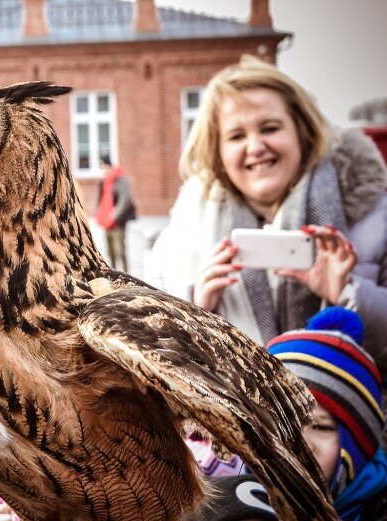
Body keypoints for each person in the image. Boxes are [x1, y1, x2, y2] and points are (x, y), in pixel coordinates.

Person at [147, 55, 387, 376]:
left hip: (347, 423)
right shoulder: (183, 236)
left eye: (270, 128)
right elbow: (153, 359)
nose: (255, 146)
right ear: (217, 151)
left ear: (302, 132)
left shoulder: (374, 215)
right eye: (236, 136)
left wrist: (346, 292)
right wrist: (196, 307)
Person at [192, 306, 387, 520]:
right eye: (279, 422)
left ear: (359, 446)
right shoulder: (222, 501)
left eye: (321, 426)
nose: (298, 445)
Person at [95, 155, 136, 273]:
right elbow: (101, 199)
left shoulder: (120, 179)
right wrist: (99, 214)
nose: (103, 170)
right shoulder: (103, 181)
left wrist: (115, 214)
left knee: (120, 251)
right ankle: (114, 274)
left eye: (104, 167)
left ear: (109, 166)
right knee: (110, 251)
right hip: (106, 221)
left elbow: (125, 198)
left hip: (118, 221)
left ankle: (126, 274)